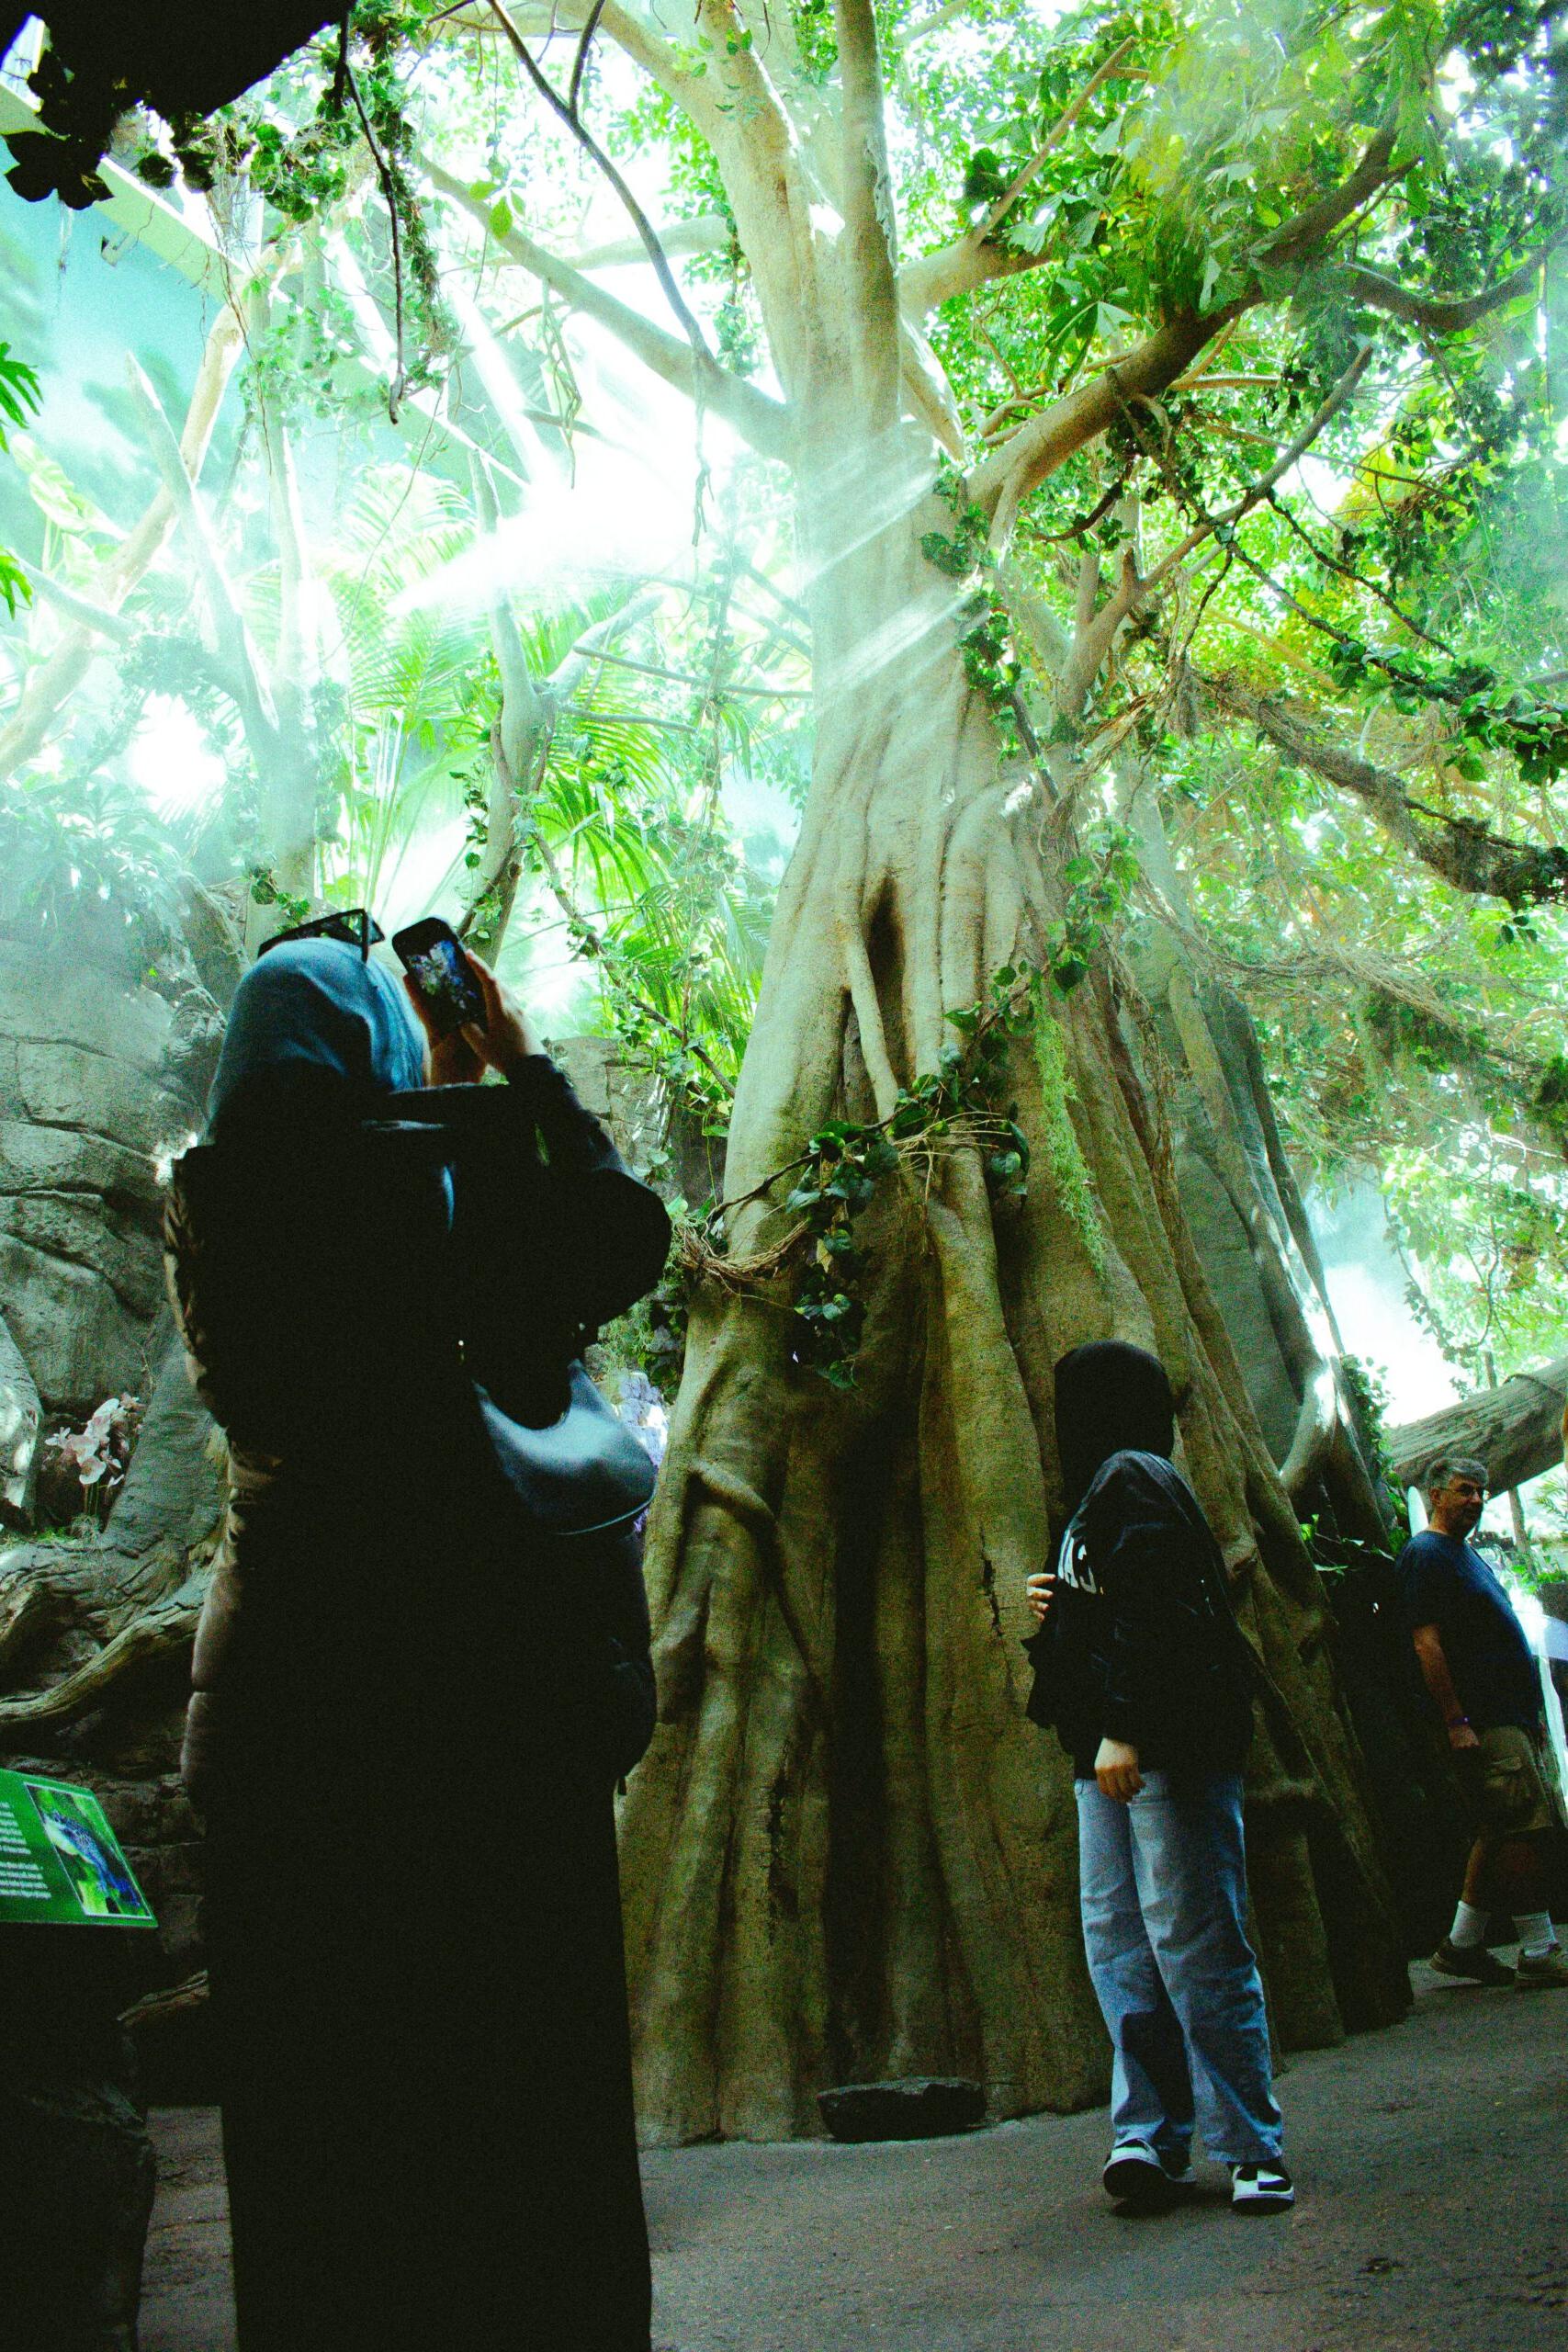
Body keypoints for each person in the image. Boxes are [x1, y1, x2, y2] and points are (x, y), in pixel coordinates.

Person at [163, 918, 671, 2351]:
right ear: (379, 1051)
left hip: (280, 1726)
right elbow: (620, 1237)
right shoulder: (431, 1199)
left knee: (322, 2136)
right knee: (512, 2115)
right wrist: (507, 1072)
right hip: (474, 1722)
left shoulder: (216, 1209)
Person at [1023, 1340, 1292, 2215]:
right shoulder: (1098, 1497)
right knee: (1121, 1950)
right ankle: (1147, 2135)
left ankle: (1252, 2147)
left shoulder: (1132, 1474)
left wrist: (1124, 1728)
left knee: (1195, 1942)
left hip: (1159, 1750)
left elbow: (1162, 1612)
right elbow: (1117, 1607)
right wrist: (1057, 1612)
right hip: (1103, 1757)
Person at [1398, 1455, 1568, 1990]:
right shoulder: (1427, 1554)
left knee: (1499, 1826)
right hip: (1481, 1718)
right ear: (1433, 1496)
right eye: (1463, 1490)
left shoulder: (1464, 1555)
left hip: (1505, 1717)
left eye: (1481, 1491)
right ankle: (1538, 1950)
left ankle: (1461, 1946)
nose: (1475, 1499)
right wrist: (1456, 1719)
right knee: (1520, 1828)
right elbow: (1426, 1644)